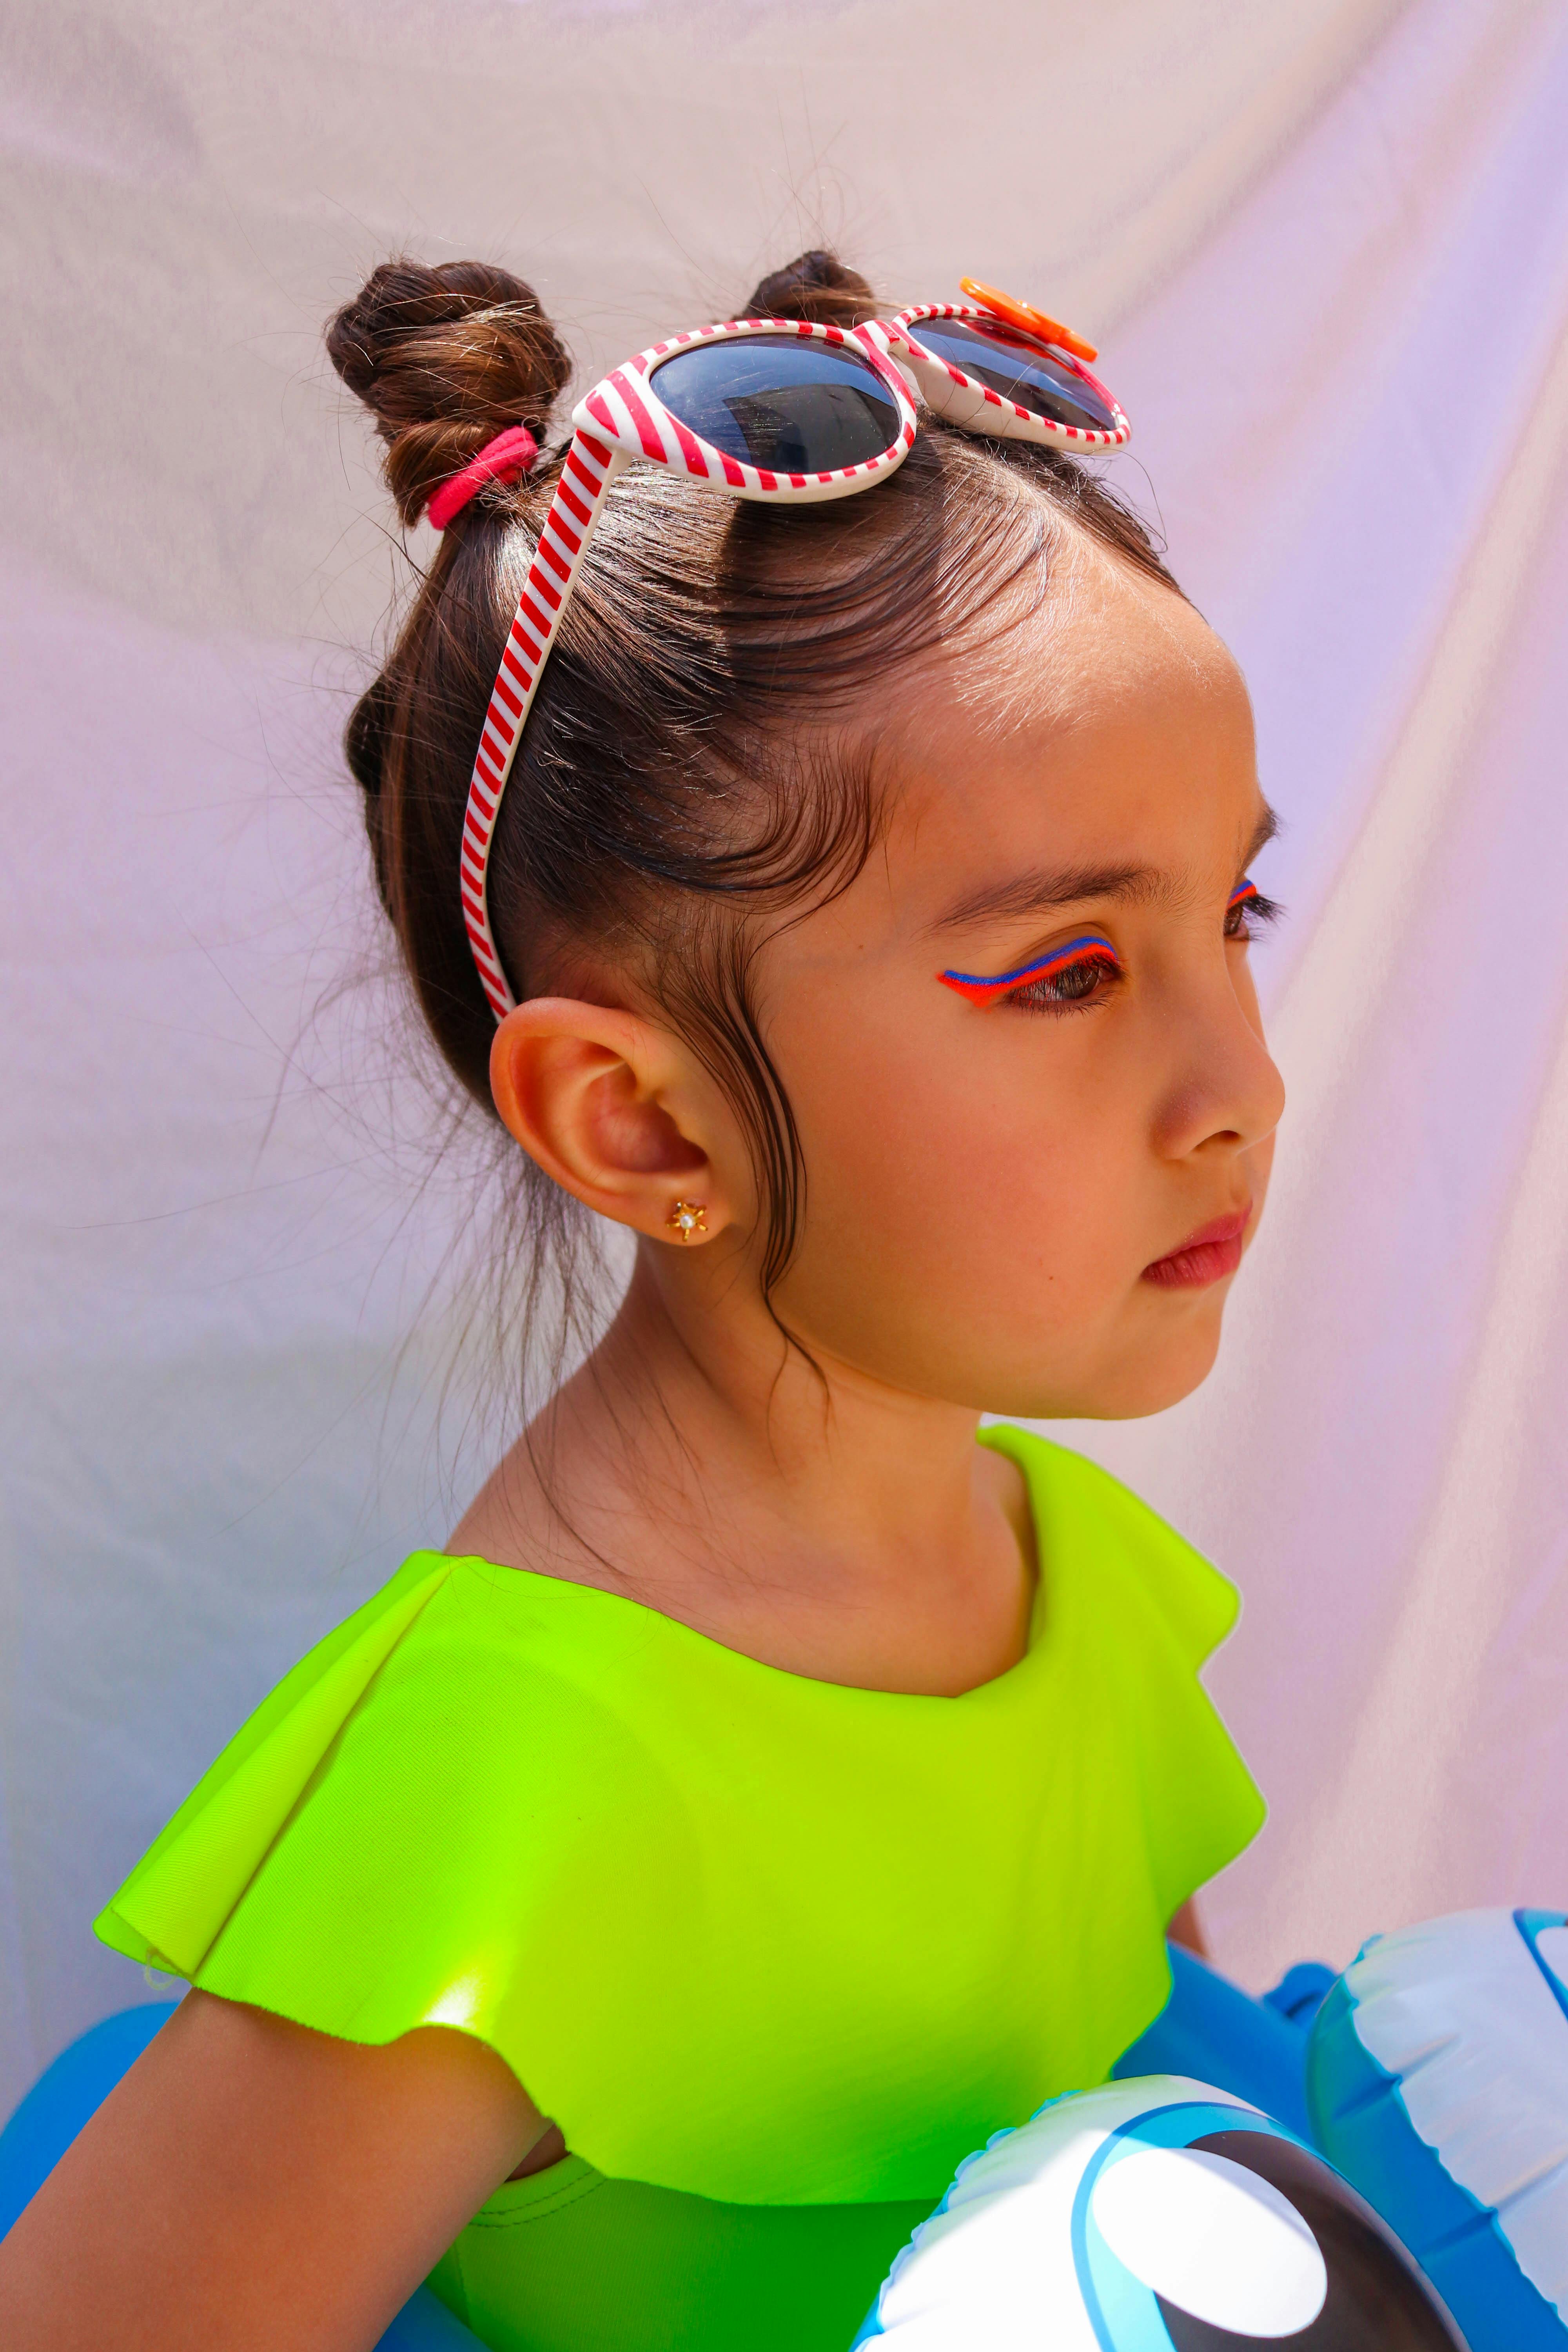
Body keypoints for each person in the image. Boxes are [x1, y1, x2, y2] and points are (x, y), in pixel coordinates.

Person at [0, 249, 1283, 2351]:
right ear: (644, 1127)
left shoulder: (1085, 1601)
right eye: (1065, 972)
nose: (1242, 1087)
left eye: (1240, 911)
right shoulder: (507, 1812)